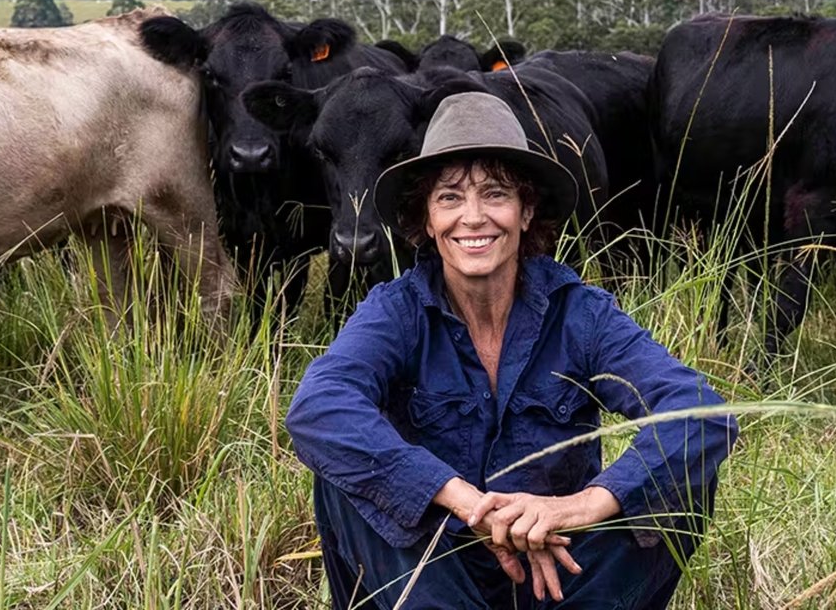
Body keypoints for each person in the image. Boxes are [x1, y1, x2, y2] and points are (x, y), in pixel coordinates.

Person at [286, 92, 738, 609]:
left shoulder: (580, 314)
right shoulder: (398, 310)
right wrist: (466, 503)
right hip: (434, 571)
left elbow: (701, 412)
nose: (473, 217)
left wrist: (578, 506)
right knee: (343, 472)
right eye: (449, 198)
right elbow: (318, 407)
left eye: (495, 194)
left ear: (526, 211)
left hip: (561, 571)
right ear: (427, 220)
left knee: (681, 483)